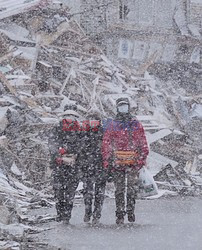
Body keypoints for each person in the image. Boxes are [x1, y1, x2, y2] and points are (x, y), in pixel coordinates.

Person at [102, 97, 149, 224]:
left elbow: (143, 142)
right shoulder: (112, 124)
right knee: (119, 190)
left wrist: (141, 159)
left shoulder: (135, 124)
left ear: (129, 107)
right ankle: (119, 213)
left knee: (131, 189)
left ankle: (130, 211)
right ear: (117, 108)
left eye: (125, 106)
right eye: (121, 106)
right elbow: (106, 143)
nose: (123, 109)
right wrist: (108, 160)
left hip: (133, 163)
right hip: (117, 163)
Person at [48, 104, 82, 224]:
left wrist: (72, 152)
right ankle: (59, 213)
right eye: (67, 115)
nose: (69, 118)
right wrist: (58, 153)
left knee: (70, 191)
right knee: (58, 190)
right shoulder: (57, 128)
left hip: (74, 165)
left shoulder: (80, 129)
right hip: (59, 164)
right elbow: (51, 143)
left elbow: (82, 145)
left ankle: (67, 215)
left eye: (72, 116)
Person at [80, 112, 107, 225]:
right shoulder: (83, 133)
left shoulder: (104, 134)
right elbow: (80, 151)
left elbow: (108, 150)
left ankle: (97, 215)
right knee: (88, 193)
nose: (94, 123)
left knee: (99, 194)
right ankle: (87, 212)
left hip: (100, 167)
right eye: (92, 121)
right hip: (87, 167)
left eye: (96, 121)